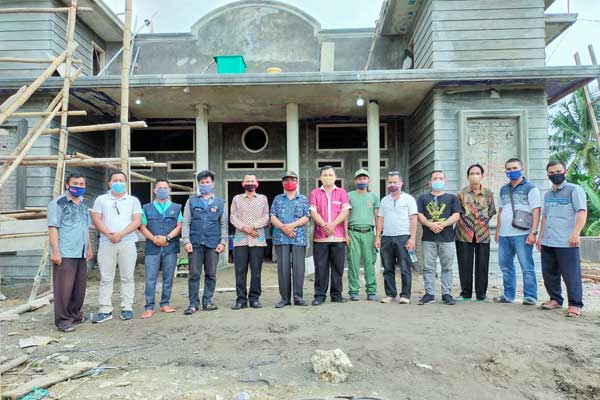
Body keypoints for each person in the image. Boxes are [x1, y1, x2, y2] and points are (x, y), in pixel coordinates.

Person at [537, 160, 587, 317]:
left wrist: (576, 233)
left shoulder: (574, 190)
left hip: (567, 241)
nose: (555, 175)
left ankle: (575, 304)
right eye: (551, 173)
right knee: (549, 273)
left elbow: (581, 212)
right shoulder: (548, 194)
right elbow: (545, 217)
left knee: (571, 274)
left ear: (565, 172)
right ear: (548, 175)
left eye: (558, 171)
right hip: (548, 240)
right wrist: (540, 237)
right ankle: (555, 299)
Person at [91, 171, 142, 322]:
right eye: (115, 180)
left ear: (126, 183)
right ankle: (105, 309)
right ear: (110, 183)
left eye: (121, 180)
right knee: (106, 278)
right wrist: (109, 234)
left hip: (128, 242)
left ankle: (127, 307)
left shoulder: (133, 200)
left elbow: (137, 221)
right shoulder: (101, 199)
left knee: (127, 277)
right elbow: (96, 219)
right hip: (107, 243)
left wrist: (120, 234)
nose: (118, 182)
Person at [47, 173, 93, 332]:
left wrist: (89, 247)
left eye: (82, 184)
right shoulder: (58, 203)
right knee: (64, 289)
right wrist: (55, 251)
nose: (79, 186)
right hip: (65, 252)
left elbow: (86, 227)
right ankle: (63, 321)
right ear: (67, 185)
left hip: (80, 251)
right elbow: (53, 227)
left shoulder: (84, 204)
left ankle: (75, 315)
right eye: (75, 183)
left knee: (79, 288)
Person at [494, 158, 541, 305]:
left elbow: (536, 210)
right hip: (504, 235)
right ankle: (508, 295)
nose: (511, 171)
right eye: (508, 169)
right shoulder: (503, 189)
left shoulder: (530, 188)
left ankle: (530, 296)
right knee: (506, 267)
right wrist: (497, 231)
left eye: (514, 168)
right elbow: (501, 211)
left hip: (522, 234)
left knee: (526, 266)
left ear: (522, 169)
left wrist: (533, 232)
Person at [181, 170, 227, 315]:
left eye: (207, 182)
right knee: (194, 274)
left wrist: (223, 242)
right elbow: (186, 222)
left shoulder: (221, 203)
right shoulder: (191, 201)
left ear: (213, 184)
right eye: (202, 183)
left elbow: (223, 224)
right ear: (198, 184)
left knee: (211, 273)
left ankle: (207, 301)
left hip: (213, 244)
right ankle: (193, 303)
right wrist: (186, 240)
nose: (205, 185)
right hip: (194, 243)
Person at [139, 180, 183, 319]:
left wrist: (167, 238)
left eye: (165, 188)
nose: (162, 190)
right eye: (160, 188)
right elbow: (142, 226)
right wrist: (154, 239)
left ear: (169, 190)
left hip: (170, 247)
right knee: (150, 278)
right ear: (154, 190)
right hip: (152, 247)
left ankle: (165, 304)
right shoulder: (146, 207)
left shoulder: (176, 207)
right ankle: (149, 307)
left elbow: (179, 225)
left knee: (168, 277)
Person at [417, 170, 461, 305]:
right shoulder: (423, 198)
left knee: (447, 267)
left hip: (447, 238)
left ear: (445, 181)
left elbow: (456, 215)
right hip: (428, 238)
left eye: (440, 178)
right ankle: (429, 293)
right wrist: (430, 224)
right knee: (428, 267)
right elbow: (419, 215)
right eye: (435, 178)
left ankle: (446, 293)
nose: (438, 180)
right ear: (429, 182)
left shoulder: (452, 198)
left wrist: (443, 224)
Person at [309, 166, 351, 305]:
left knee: (338, 267)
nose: (328, 177)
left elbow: (345, 211)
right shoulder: (315, 193)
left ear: (335, 177)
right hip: (320, 237)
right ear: (320, 177)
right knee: (321, 268)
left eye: (330, 175)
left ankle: (336, 295)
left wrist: (332, 225)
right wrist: (325, 226)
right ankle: (319, 295)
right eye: (325, 175)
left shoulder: (342, 192)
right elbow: (313, 212)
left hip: (338, 236)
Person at [455, 164, 496, 302]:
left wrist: (480, 223)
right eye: (472, 173)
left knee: (482, 265)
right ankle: (465, 293)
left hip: (482, 234)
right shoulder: (461, 194)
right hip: (463, 233)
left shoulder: (489, 193)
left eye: (477, 173)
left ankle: (481, 294)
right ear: (467, 176)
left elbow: (491, 211)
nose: (475, 176)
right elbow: (458, 213)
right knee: (464, 264)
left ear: (482, 176)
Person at [376, 171, 418, 304]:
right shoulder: (384, 200)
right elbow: (380, 220)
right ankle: (390, 294)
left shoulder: (409, 199)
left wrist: (412, 238)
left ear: (401, 183)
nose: (392, 184)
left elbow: (414, 219)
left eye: (395, 182)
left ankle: (405, 295)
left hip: (403, 237)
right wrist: (377, 237)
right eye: (390, 182)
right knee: (388, 268)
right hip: (387, 238)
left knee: (405, 267)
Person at [270, 171, 310, 308]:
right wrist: (283, 228)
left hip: (298, 238)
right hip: (281, 238)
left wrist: (291, 226)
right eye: (286, 180)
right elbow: (272, 216)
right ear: (283, 183)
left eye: (292, 180)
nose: (289, 182)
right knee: (283, 269)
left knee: (299, 269)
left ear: (297, 182)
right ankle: (285, 298)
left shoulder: (303, 199)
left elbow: (307, 217)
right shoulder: (277, 199)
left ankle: (298, 297)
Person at [230, 174, 269, 309]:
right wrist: (245, 228)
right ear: (243, 183)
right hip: (241, 240)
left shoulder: (263, 199)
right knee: (240, 271)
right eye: (247, 181)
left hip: (258, 239)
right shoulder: (236, 199)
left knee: (256, 270)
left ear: (257, 184)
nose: (250, 183)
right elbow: (233, 217)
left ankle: (254, 298)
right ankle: (241, 299)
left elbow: (266, 217)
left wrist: (252, 227)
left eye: (252, 181)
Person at [346, 169, 380, 301]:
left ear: (368, 180)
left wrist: (378, 236)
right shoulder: (349, 196)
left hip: (369, 233)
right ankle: (353, 291)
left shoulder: (374, 197)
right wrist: (345, 234)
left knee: (369, 263)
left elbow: (377, 217)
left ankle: (371, 291)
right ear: (355, 181)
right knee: (353, 263)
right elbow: (346, 216)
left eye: (364, 178)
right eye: (359, 179)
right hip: (353, 232)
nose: (362, 181)